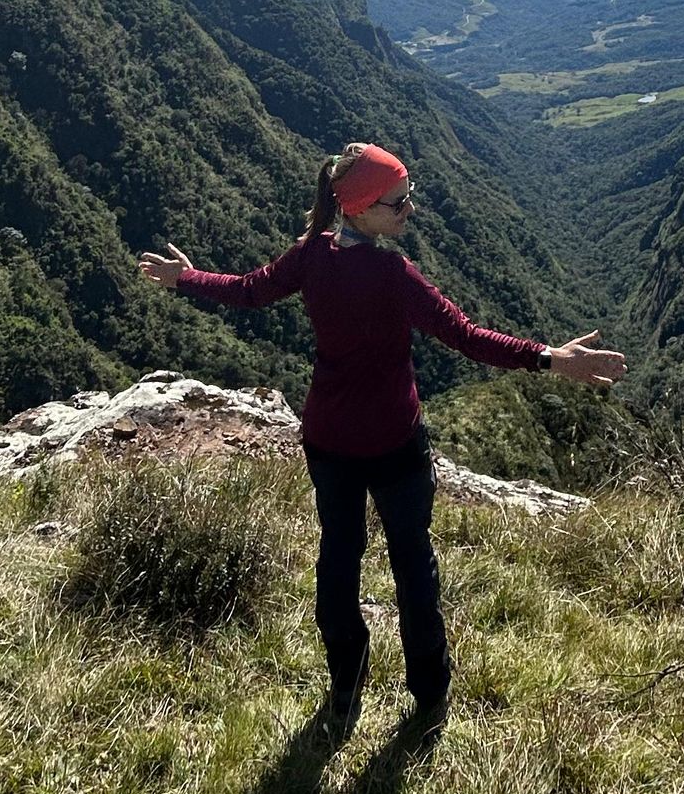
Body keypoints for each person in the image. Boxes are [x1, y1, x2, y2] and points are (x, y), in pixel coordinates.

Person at [138, 141, 624, 733]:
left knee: (338, 560)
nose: (410, 210)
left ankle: (346, 683)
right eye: (398, 203)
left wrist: (185, 278)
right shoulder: (393, 275)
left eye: (408, 196)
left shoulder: (310, 257)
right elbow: (467, 336)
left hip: (330, 444)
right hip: (396, 445)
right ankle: (430, 692)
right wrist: (549, 358)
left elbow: (248, 290)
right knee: (413, 567)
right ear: (361, 208)